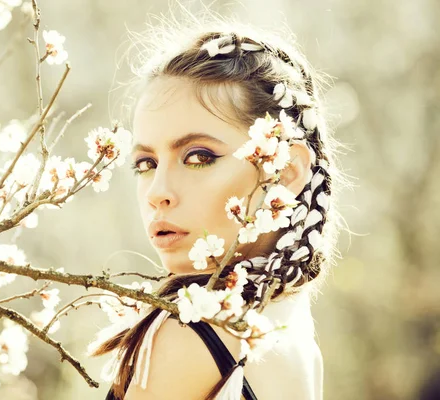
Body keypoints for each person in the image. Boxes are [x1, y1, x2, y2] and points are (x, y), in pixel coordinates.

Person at [90, 10, 345, 400]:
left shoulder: (192, 333)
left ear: (288, 170)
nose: (158, 191)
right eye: (146, 163)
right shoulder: (290, 331)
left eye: (198, 157)